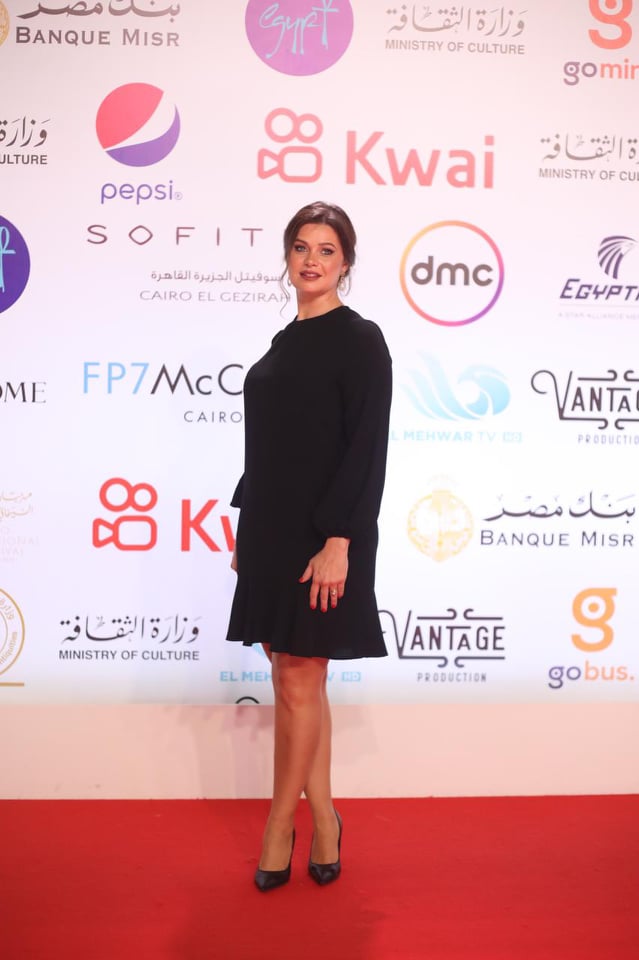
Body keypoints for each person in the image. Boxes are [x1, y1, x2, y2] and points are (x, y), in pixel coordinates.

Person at [225, 201, 392, 892]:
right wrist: (246, 525)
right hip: (269, 529)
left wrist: (339, 540)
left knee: (299, 677)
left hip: (325, 534)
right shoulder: (283, 340)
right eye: (301, 247)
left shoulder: (360, 339)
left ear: (345, 262)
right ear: (288, 257)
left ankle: (278, 826)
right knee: (293, 678)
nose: (311, 260)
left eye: (326, 249)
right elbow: (270, 447)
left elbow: (366, 449)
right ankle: (324, 817)